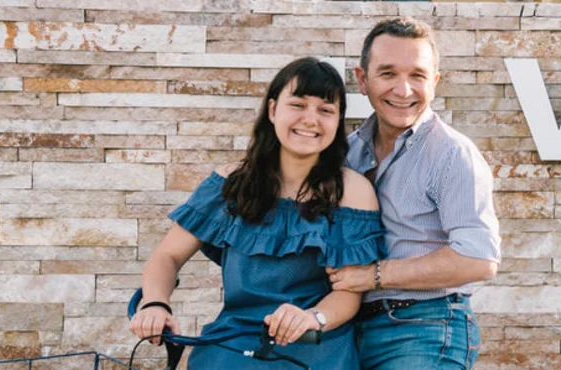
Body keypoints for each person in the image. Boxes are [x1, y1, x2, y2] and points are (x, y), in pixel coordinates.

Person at [129, 57, 387, 369]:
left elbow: (349, 293)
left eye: (325, 110)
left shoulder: (353, 191)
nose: (311, 119)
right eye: (298, 104)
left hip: (314, 343)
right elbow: (167, 256)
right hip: (232, 341)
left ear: (337, 122)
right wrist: (155, 302)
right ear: (273, 110)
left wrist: (312, 318)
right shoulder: (230, 182)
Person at [326, 18, 501, 370]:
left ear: (434, 83)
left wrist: (374, 275)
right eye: (388, 73)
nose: (403, 90)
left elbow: (478, 258)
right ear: (362, 79)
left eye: (417, 76)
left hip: (425, 327)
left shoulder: (452, 154)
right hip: (347, 329)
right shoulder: (347, 152)